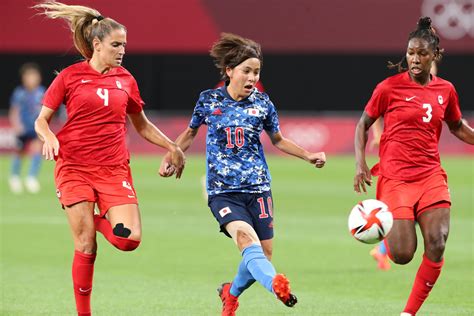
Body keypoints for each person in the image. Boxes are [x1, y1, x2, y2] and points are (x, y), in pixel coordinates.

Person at [33, 2, 185, 315]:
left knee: (130, 241)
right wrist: (48, 135)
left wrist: (172, 145)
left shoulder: (126, 80)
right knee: (86, 243)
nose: (122, 51)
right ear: (97, 45)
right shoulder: (70, 77)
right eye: (116, 45)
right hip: (73, 166)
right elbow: (41, 120)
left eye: (124, 45)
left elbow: (141, 125)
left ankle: (98, 224)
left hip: (114, 169)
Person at [159, 33, 326, 315]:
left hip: (259, 189)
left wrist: (308, 155)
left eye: (256, 72)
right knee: (246, 241)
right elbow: (189, 133)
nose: (251, 78)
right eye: (246, 71)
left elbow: (278, 139)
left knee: (264, 253)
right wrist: (172, 154)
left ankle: (230, 293)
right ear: (229, 71)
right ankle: (276, 285)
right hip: (223, 192)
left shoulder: (262, 103)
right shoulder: (208, 100)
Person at [354, 17, 473, 316]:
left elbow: (457, 126)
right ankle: (379, 223)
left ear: (434, 56)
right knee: (403, 255)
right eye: (410, 53)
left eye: (421, 53)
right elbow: (363, 123)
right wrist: (360, 164)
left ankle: (408, 313)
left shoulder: (446, 90)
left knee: (437, 241)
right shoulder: (389, 88)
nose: (414, 59)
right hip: (395, 179)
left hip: (430, 174)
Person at [368, 61, 440, 272]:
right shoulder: (397, 89)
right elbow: (375, 115)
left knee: (420, 208)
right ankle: (382, 247)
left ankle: (381, 248)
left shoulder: (436, 91)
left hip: (423, 164)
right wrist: (378, 135)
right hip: (398, 165)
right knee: (407, 210)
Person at [8, 63, 45, 194]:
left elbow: (44, 110)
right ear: (24, 78)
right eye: (29, 77)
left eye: (34, 77)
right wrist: (16, 126)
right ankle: (15, 177)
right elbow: (14, 111)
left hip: (35, 128)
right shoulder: (20, 93)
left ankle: (31, 177)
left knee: (36, 150)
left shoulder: (41, 92)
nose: (32, 79)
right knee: (19, 152)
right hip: (22, 129)